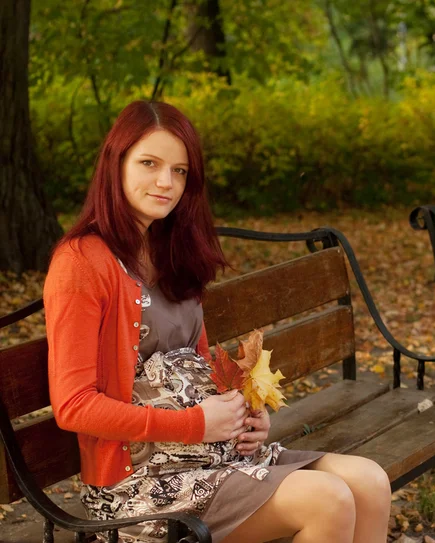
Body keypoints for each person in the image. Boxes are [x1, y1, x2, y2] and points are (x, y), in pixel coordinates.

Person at [44, 101, 391, 543]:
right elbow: (73, 405)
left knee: (370, 481)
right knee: (329, 499)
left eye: (180, 171)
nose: (166, 182)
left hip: (210, 456)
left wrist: (246, 416)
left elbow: (202, 364)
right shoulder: (81, 262)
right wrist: (195, 424)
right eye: (149, 163)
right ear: (116, 163)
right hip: (136, 484)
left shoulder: (169, 252)